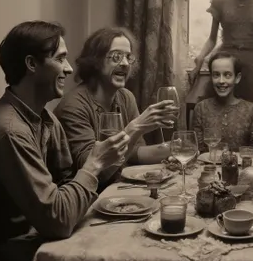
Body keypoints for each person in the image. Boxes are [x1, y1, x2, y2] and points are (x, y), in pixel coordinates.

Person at [0, 21, 130, 261]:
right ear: (31, 64)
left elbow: (67, 183)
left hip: (42, 241)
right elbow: (57, 218)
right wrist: (94, 165)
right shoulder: (9, 131)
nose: (69, 69)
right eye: (60, 58)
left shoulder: (45, 118)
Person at [54, 27, 178, 190]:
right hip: (91, 198)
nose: (125, 64)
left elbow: (133, 152)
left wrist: (173, 149)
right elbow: (97, 173)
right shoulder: (73, 106)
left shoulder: (126, 97)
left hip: (119, 187)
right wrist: (137, 127)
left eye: (128, 57)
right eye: (116, 56)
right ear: (96, 61)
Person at [192, 51, 253, 153]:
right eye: (216, 75)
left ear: (237, 78)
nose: (221, 81)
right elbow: (197, 151)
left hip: (240, 167)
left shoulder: (252, 110)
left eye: (227, 75)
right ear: (211, 77)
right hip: (208, 166)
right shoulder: (201, 108)